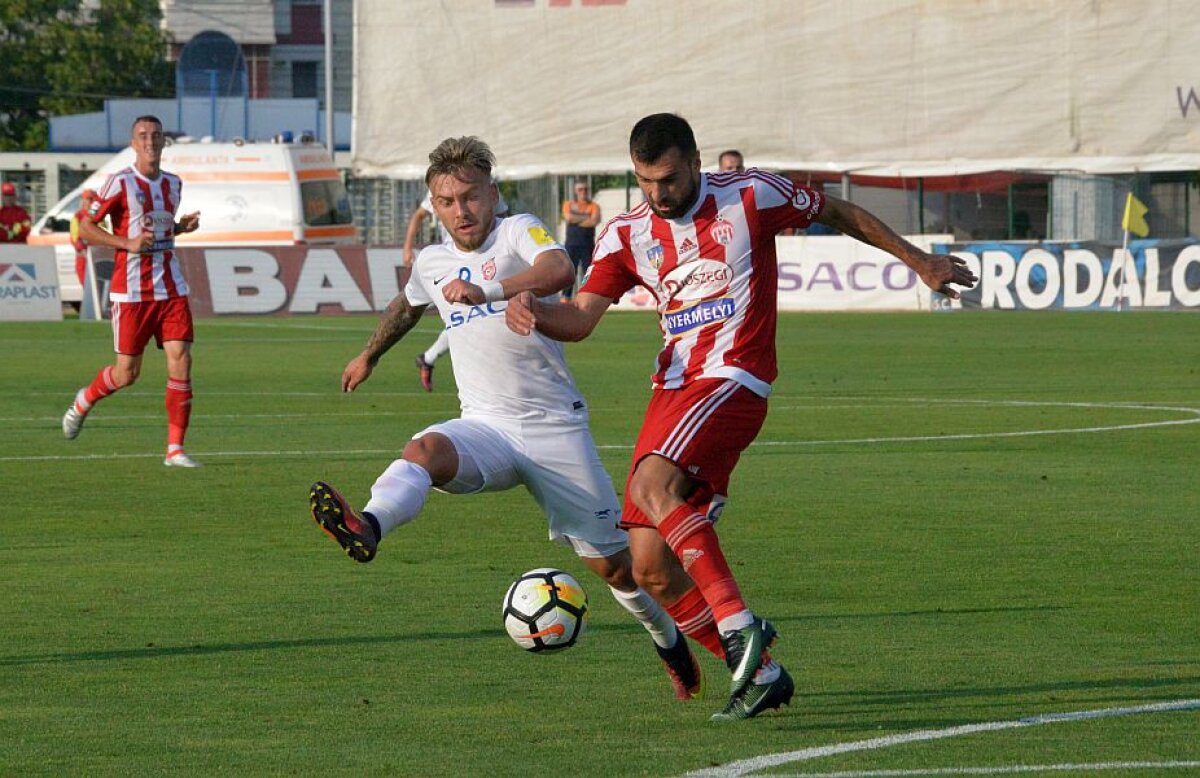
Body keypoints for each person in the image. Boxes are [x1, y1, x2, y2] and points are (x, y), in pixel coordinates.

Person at [505, 113, 978, 720]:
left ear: (696, 162)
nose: (658, 193)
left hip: (734, 376)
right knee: (648, 567)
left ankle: (738, 625)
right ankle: (766, 674)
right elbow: (581, 319)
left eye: (669, 178)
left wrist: (919, 261)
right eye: (645, 181)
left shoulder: (752, 194)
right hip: (672, 388)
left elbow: (838, 212)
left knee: (651, 485)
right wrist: (534, 313)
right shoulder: (625, 234)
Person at [308, 136, 703, 702]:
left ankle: (669, 643)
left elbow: (559, 266)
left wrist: (489, 288)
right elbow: (408, 304)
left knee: (620, 571)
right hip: (486, 426)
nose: (460, 211)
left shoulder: (518, 230)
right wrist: (369, 354)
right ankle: (368, 527)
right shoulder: (432, 261)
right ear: (434, 205)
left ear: (491, 194)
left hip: (553, 428)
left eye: (470, 196)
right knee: (422, 451)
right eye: (446, 201)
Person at [61, 115, 203, 468]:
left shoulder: (173, 184)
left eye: (156, 135)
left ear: (164, 142)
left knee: (181, 359)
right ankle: (84, 400)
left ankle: (175, 449)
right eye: (143, 136)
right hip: (132, 292)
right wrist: (126, 242)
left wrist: (180, 228)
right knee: (127, 374)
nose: (150, 141)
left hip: (170, 286)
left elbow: (160, 231)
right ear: (133, 143)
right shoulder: (119, 183)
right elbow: (87, 229)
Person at [405, 187, 510, 391]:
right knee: (467, 318)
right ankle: (429, 358)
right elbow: (419, 215)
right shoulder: (439, 189)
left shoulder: (485, 186)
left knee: (472, 318)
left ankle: (428, 358)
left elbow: (505, 217)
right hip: (452, 263)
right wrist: (408, 247)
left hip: (484, 258)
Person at [560, 179, 601, 298]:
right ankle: (565, 300)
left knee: (588, 274)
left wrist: (576, 219)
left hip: (587, 245)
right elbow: (568, 218)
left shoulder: (594, 206)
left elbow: (594, 221)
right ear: (575, 191)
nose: (583, 192)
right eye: (580, 189)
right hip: (571, 244)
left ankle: (586, 298)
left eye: (585, 189)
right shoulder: (568, 204)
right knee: (569, 274)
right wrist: (586, 218)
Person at [70, 189, 99, 287]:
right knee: (86, 285)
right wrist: (81, 248)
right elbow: (74, 237)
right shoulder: (77, 216)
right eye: (89, 199)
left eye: (93, 200)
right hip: (84, 256)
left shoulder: (100, 216)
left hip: (97, 256)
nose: (91, 202)